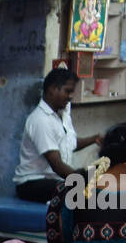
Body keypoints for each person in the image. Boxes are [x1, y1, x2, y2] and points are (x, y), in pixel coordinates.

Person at [13, 68, 102, 203]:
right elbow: (56, 164)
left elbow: (68, 144)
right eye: (67, 91)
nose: (71, 96)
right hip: (32, 183)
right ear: (52, 89)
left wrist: (94, 139)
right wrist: (82, 180)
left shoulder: (62, 115)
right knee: (84, 193)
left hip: (53, 180)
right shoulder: (41, 120)